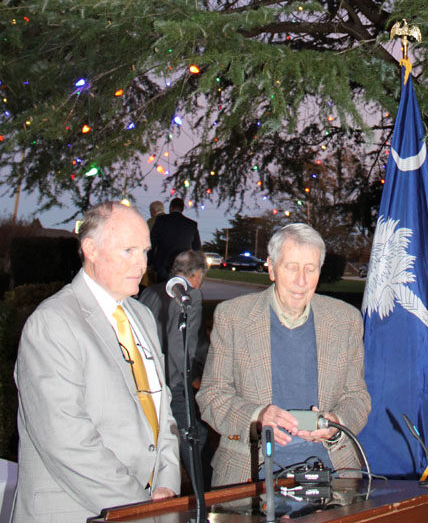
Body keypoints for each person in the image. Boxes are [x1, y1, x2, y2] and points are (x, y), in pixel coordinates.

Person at [2, 201, 180, 523]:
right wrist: (139, 507)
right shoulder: (52, 324)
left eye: (145, 251)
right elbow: (67, 441)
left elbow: (163, 413)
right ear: (91, 250)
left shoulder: (143, 317)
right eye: (128, 251)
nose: (141, 264)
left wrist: (167, 484)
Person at [197, 222, 370, 485]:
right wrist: (257, 416)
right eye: (292, 267)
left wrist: (336, 425)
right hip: (250, 473)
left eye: (310, 269)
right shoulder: (233, 317)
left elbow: (357, 397)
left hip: (332, 471)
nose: (302, 281)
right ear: (271, 268)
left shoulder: (346, 320)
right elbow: (211, 397)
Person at [139, 249, 210, 482]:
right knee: (194, 435)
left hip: (147, 380)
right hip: (174, 382)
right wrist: (192, 379)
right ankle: (204, 495)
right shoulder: (191, 296)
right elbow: (183, 346)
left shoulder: (150, 292)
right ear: (198, 274)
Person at [149, 197, 201, 282]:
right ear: (182, 209)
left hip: (162, 265)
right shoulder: (191, 225)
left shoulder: (161, 220)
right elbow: (197, 248)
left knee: (162, 291)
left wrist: (151, 263)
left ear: (171, 208)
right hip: (182, 267)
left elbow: (152, 242)